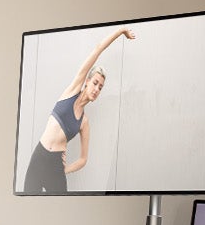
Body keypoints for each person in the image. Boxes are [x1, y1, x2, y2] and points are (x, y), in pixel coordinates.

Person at [22, 26, 133, 194]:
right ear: (87, 81)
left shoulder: (84, 122)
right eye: (95, 83)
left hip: (56, 167)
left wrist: (63, 170)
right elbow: (98, 50)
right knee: (27, 208)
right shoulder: (72, 90)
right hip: (39, 157)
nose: (96, 89)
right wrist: (120, 31)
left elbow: (83, 159)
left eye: (100, 87)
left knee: (57, 213)